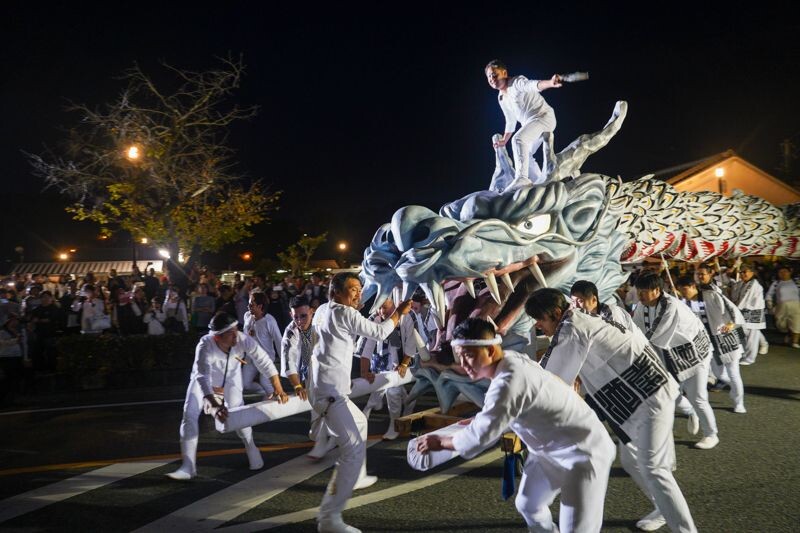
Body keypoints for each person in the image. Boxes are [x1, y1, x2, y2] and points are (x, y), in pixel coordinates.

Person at [416, 318, 615, 533]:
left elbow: (480, 438)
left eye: (469, 356)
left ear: (491, 351)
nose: (463, 365)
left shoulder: (507, 381)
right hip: (549, 450)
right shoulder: (511, 358)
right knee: (529, 505)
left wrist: (441, 442)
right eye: (460, 357)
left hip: (584, 451)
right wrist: (479, 420)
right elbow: (510, 409)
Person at [526, 288, 697, 533]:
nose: (538, 326)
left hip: (650, 395)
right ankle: (663, 507)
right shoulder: (578, 318)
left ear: (555, 312)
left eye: (539, 319)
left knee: (654, 468)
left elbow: (551, 378)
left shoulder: (573, 327)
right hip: (645, 392)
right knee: (631, 460)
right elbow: (556, 369)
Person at [309, 272, 412, 533]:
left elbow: (321, 348)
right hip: (331, 394)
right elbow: (379, 332)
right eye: (352, 289)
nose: (358, 294)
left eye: (359, 289)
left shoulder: (323, 310)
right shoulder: (344, 313)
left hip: (327, 390)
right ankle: (329, 518)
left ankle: (358, 475)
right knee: (353, 448)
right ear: (336, 293)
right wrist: (398, 312)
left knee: (360, 423)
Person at [166, 312, 289, 481]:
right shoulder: (205, 345)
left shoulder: (242, 338)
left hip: (232, 379)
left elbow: (264, 361)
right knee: (189, 413)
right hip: (204, 383)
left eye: (236, 329)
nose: (236, 335)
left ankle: (251, 446)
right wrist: (214, 404)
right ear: (217, 337)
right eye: (230, 332)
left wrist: (278, 388)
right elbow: (202, 376)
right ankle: (188, 467)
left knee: (239, 415)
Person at [632, 272, 719, 450]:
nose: (639, 296)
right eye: (638, 291)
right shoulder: (643, 306)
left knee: (698, 397)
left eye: (643, 292)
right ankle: (690, 411)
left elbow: (653, 335)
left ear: (657, 290)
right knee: (666, 390)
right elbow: (635, 329)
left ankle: (711, 434)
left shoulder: (670, 306)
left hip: (694, 353)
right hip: (670, 352)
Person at [676, 273, 747, 414]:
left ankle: (739, 402)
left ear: (692, 286)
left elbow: (730, 309)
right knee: (719, 374)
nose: (683, 293)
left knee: (733, 373)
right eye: (680, 291)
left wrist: (731, 323)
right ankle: (735, 389)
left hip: (725, 337)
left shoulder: (711, 295)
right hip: (708, 342)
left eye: (684, 289)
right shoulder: (685, 303)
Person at [486, 59, 562, 186]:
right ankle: (541, 184)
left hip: (544, 117)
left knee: (518, 139)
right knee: (526, 153)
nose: (492, 78)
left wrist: (550, 83)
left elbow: (533, 85)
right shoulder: (501, 98)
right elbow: (510, 120)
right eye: (489, 76)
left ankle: (522, 178)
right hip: (531, 124)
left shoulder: (516, 83)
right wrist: (504, 140)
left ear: (504, 73)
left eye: (494, 74)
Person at [357, 297, 416, 440]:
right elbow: (367, 346)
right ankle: (408, 402)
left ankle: (394, 424)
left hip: (400, 361)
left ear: (395, 304)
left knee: (393, 392)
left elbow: (411, 341)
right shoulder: (374, 319)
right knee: (380, 385)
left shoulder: (407, 317)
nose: (382, 311)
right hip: (380, 361)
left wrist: (404, 363)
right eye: (379, 307)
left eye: (385, 307)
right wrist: (364, 371)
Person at [241, 291, 283, 395]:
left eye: (251, 305)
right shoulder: (247, 316)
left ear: (260, 306)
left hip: (266, 359)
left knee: (266, 383)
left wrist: (285, 362)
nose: (248, 306)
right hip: (250, 358)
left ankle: (276, 405)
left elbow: (279, 341)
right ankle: (263, 394)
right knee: (245, 384)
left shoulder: (269, 321)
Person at [730, 263, 769, 364]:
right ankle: (762, 345)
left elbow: (744, 300)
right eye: (741, 272)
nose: (742, 274)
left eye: (745, 272)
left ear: (752, 272)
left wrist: (735, 310)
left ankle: (750, 358)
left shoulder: (754, 285)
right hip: (744, 311)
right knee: (749, 334)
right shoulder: (743, 283)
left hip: (753, 313)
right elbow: (735, 296)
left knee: (752, 337)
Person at [765, 265, 800, 348]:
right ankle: (788, 335)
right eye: (780, 272)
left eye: (785, 271)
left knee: (797, 323)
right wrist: (770, 305)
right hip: (781, 306)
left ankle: (795, 342)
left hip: (796, 306)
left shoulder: (796, 282)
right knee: (781, 324)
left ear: (790, 272)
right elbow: (769, 294)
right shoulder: (776, 283)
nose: (783, 273)